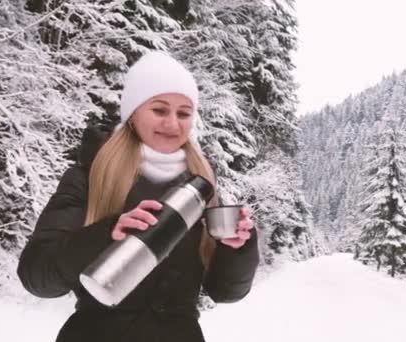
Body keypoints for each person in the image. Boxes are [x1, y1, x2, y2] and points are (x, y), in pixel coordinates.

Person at [17, 51, 259, 342]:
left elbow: (226, 292)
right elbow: (37, 276)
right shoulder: (91, 175)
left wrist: (237, 250)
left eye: (183, 113)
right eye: (159, 110)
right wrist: (106, 235)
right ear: (133, 112)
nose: (172, 124)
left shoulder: (200, 183)